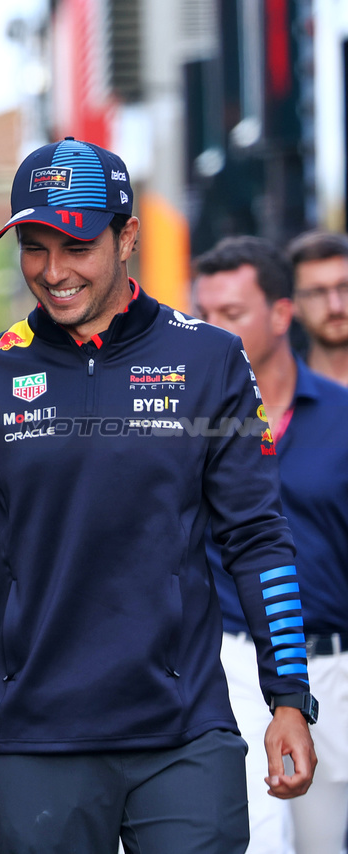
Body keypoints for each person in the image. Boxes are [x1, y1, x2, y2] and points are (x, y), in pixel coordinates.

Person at [0, 137, 317, 853]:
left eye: (75, 245)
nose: (53, 271)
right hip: (34, 740)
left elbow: (257, 537)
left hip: (184, 731)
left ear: (127, 235)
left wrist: (288, 697)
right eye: (34, 248)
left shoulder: (209, 357)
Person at [194, 235, 348, 854]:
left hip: (335, 668)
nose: (211, 331)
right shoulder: (183, 426)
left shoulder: (341, 416)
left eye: (230, 316)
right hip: (230, 664)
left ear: (282, 315)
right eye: (202, 316)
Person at [287, 231, 348, 387]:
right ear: (293, 304)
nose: (335, 306)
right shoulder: (282, 393)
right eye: (317, 293)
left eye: (344, 287)